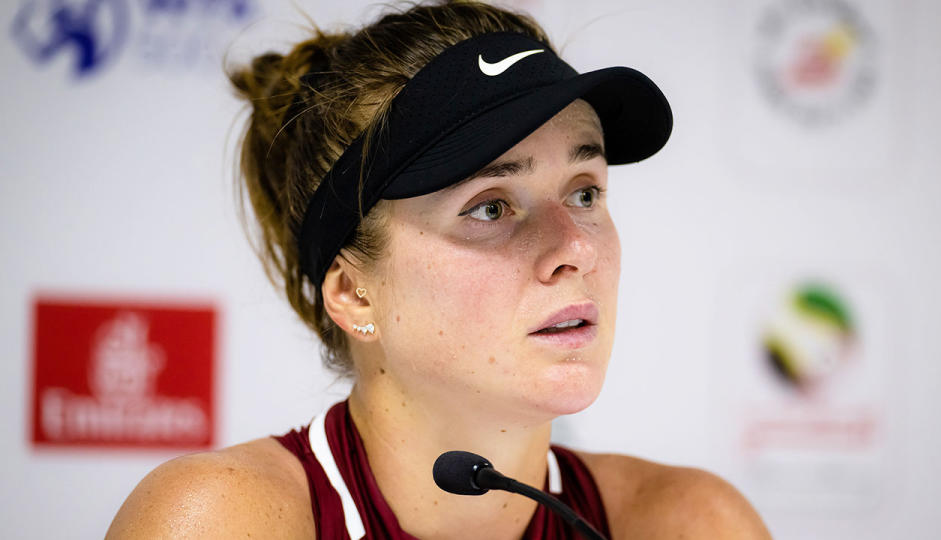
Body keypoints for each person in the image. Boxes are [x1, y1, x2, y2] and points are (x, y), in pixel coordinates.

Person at [107, 1, 771, 538]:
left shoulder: (690, 524)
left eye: (584, 191)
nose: (577, 248)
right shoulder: (216, 523)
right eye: (489, 207)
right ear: (352, 293)